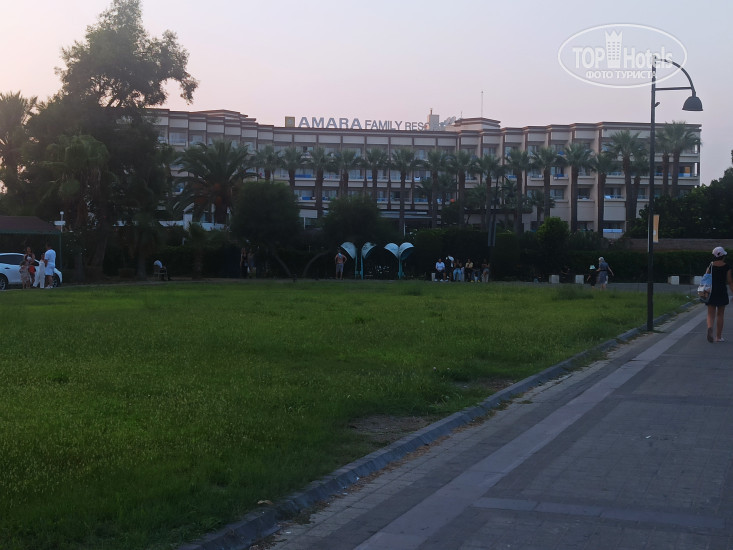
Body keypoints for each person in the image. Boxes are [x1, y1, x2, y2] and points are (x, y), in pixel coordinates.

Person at [705, 246, 733, 343]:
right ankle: (718, 337)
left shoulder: (711, 266)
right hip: (722, 291)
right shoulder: (727, 267)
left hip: (711, 291)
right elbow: (730, 281)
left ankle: (710, 327)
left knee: (710, 313)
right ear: (723, 256)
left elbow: (706, 277)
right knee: (720, 314)